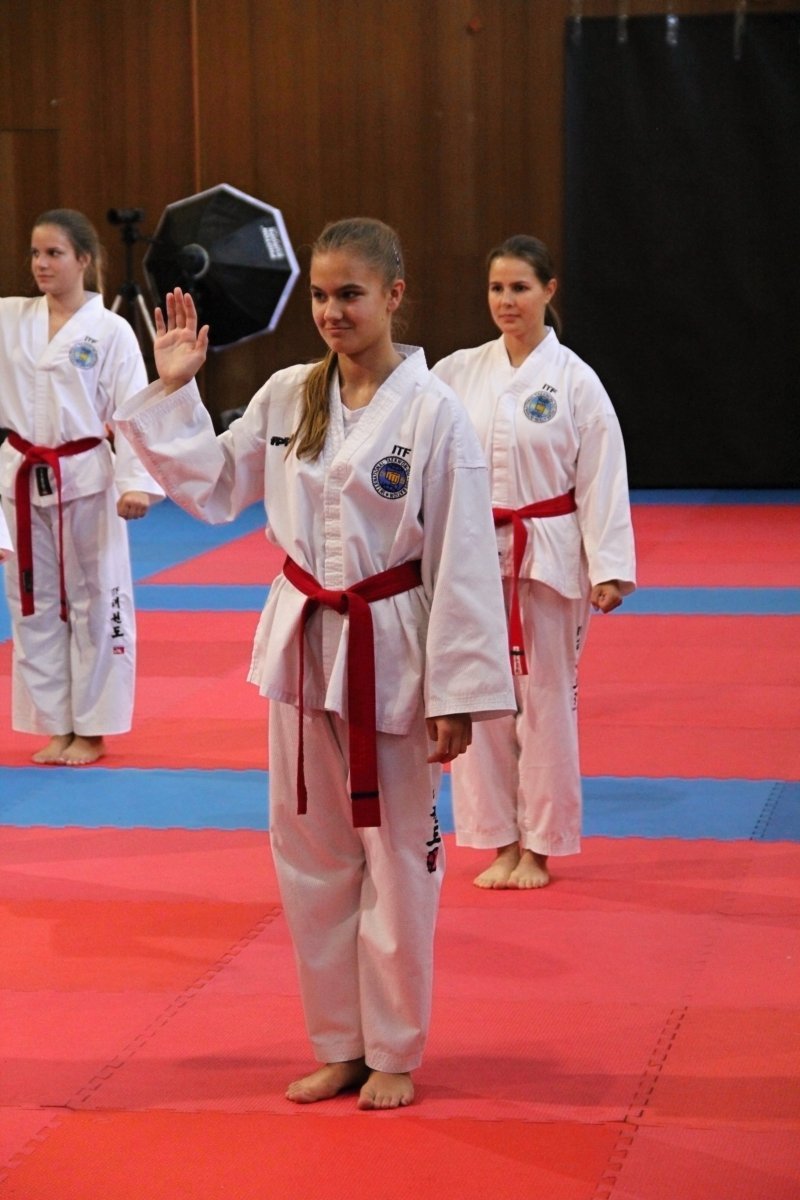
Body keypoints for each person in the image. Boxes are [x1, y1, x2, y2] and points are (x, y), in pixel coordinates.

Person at [115, 217, 515, 1110]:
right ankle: (340, 1044)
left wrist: (460, 693)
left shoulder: (434, 413)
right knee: (310, 855)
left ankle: (396, 1049)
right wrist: (176, 390)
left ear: (394, 296)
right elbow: (216, 488)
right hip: (302, 643)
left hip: (394, 647)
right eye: (323, 297)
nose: (333, 312)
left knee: (399, 858)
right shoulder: (290, 394)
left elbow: (461, 556)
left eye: (351, 295)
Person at [433, 234, 636, 890]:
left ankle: (541, 847)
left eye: (520, 288)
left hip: (546, 554)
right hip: (472, 554)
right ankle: (498, 839)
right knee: (478, 697)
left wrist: (608, 566)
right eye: (496, 288)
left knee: (546, 703)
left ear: (549, 291)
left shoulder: (575, 381)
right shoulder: (458, 372)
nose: (506, 301)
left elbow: (601, 475)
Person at [0, 209, 163, 765]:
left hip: (87, 480)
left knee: (98, 602)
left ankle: (93, 729)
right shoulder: (10, 318)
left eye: (54, 253)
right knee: (32, 603)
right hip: (21, 479)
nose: (41, 264)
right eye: (35, 253)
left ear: (84, 260)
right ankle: (55, 723)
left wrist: (135, 482)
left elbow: (133, 409)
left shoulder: (111, 331)